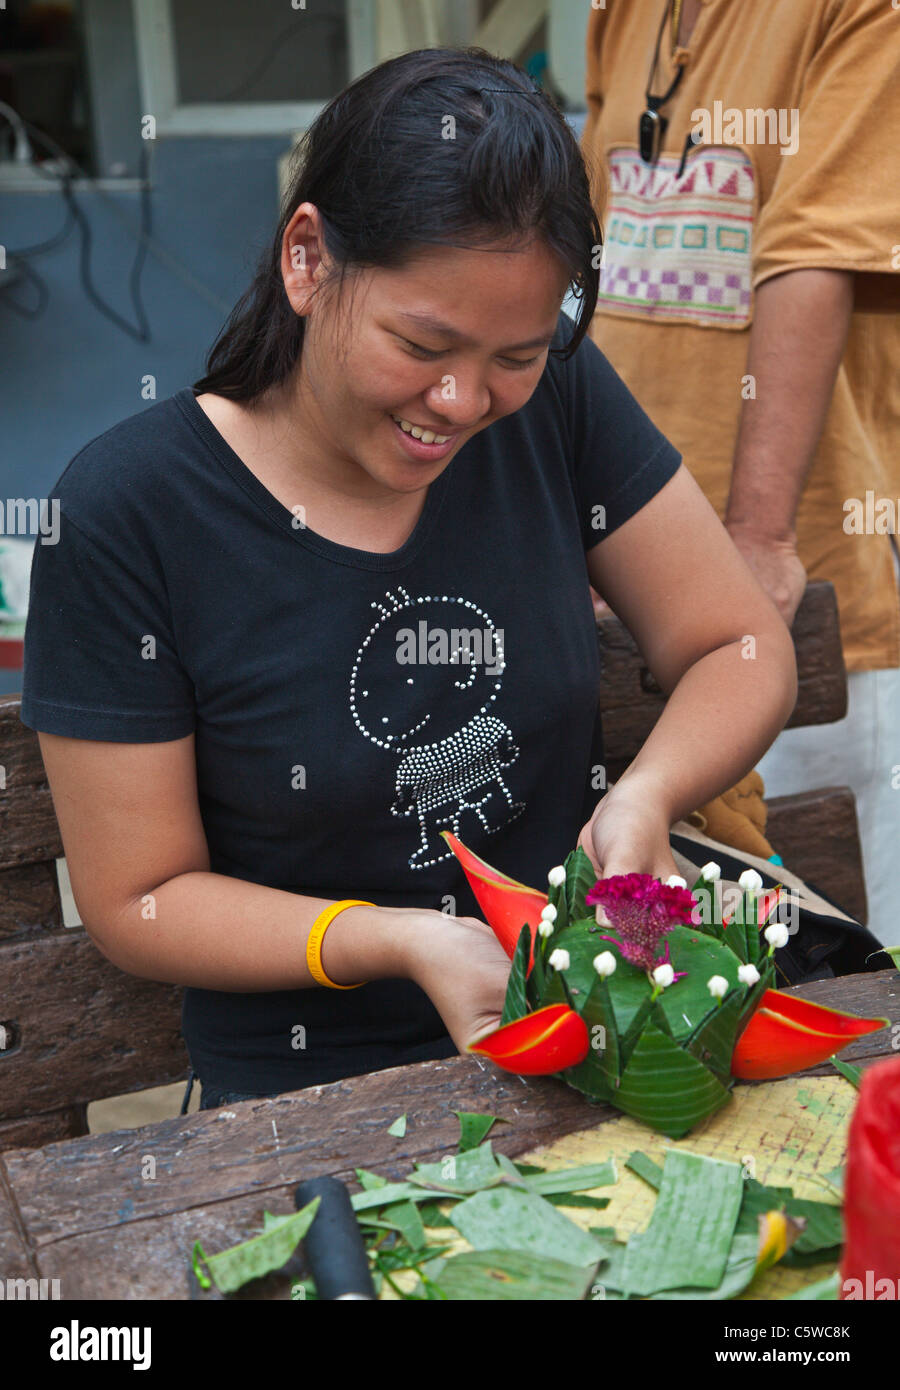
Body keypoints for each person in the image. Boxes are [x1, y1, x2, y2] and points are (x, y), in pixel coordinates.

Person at [20, 47, 796, 1112]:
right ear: (308, 259)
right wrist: (399, 940)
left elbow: (738, 645)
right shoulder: (128, 513)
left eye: (515, 355)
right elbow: (140, 896)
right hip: (314, 1097)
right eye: (422, 342)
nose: (463, 400)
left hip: (588, 1036)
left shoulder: (557, 400)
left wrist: (645, 797)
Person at [581, 0, 900, 938]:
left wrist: (757, 537)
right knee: (645, 955)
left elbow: (814, 254)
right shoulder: (623, 13)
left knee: (829, 957)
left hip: (793, 585)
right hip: (617, 578)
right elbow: (590, 257)